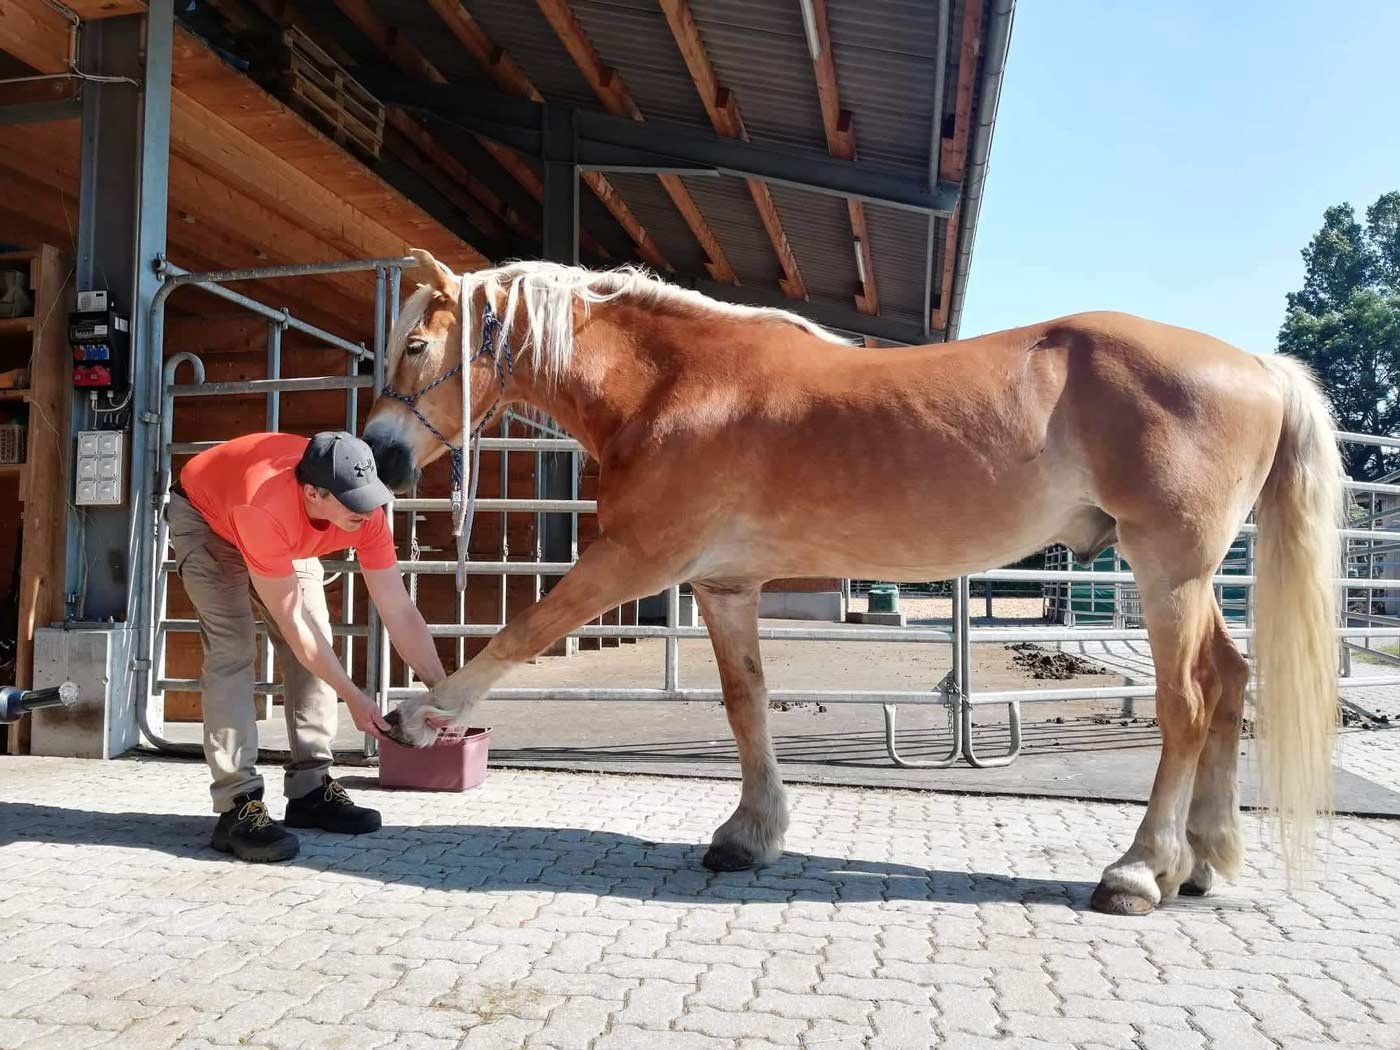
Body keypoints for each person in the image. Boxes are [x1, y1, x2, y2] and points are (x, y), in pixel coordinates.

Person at [164, 431, 446, 862]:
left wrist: (444, 691)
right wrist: (353, 696)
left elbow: (399, 609)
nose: (367, 509)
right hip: (210, 518)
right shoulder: (266, 509)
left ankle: (310, 790)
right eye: (354, 500)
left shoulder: (363, 510)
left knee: (319, 644)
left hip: (277, 528)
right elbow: (294, 624)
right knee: (233, 650)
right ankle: (237, 805)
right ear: (313, 493)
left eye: (370, 497)